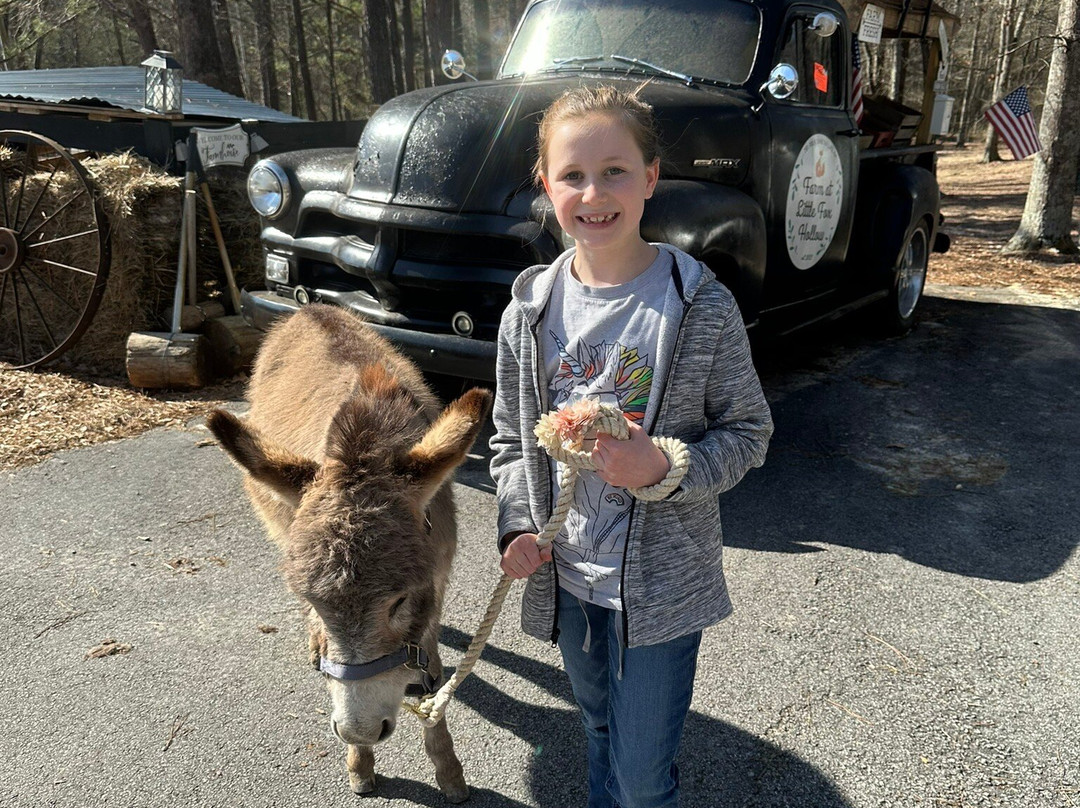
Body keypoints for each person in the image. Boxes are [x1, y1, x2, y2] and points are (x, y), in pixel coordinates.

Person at [489, 84, 773, 808]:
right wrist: (520, 524)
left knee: (643, 779)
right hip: (571, 580)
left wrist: (665, 467)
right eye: (573, 175)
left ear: (651, 178)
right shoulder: (529, 313)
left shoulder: (699, 304)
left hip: (661, 592)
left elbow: (748, 432)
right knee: (597, 734)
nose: (594, 193)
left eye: (615, 170)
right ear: (545, 184)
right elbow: (512, 441)